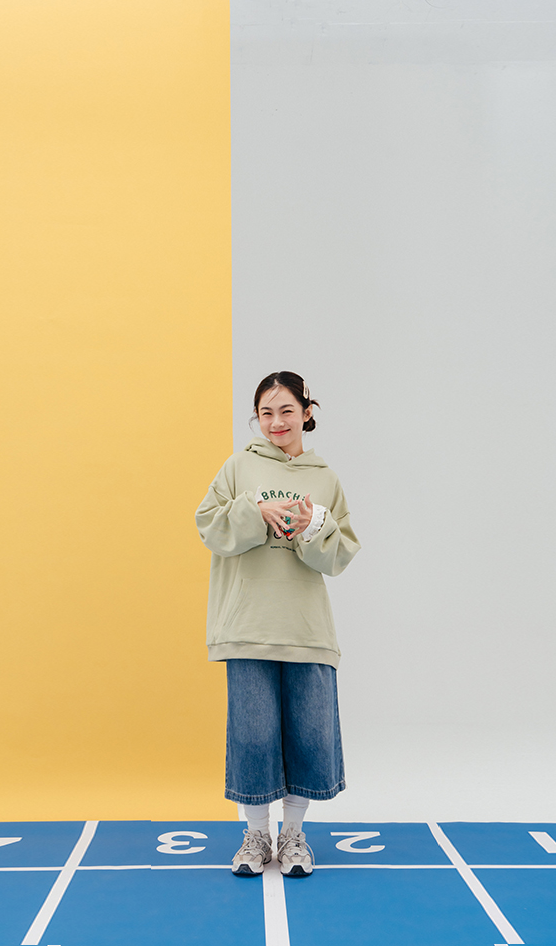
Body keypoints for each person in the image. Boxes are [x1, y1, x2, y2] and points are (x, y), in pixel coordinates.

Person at [195, 371, 360, 878]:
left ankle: (293, 836)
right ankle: (255, 836)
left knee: (309, 735)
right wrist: (255, 509)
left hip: (307, 630)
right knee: (252, 736)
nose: (276, 422)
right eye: (265, 413)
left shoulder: (325, 478)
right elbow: (209, 526)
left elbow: (339, 556)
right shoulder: (238, 467)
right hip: (247, 625)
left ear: (307, 412)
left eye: (286, 410)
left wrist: (315, 525)